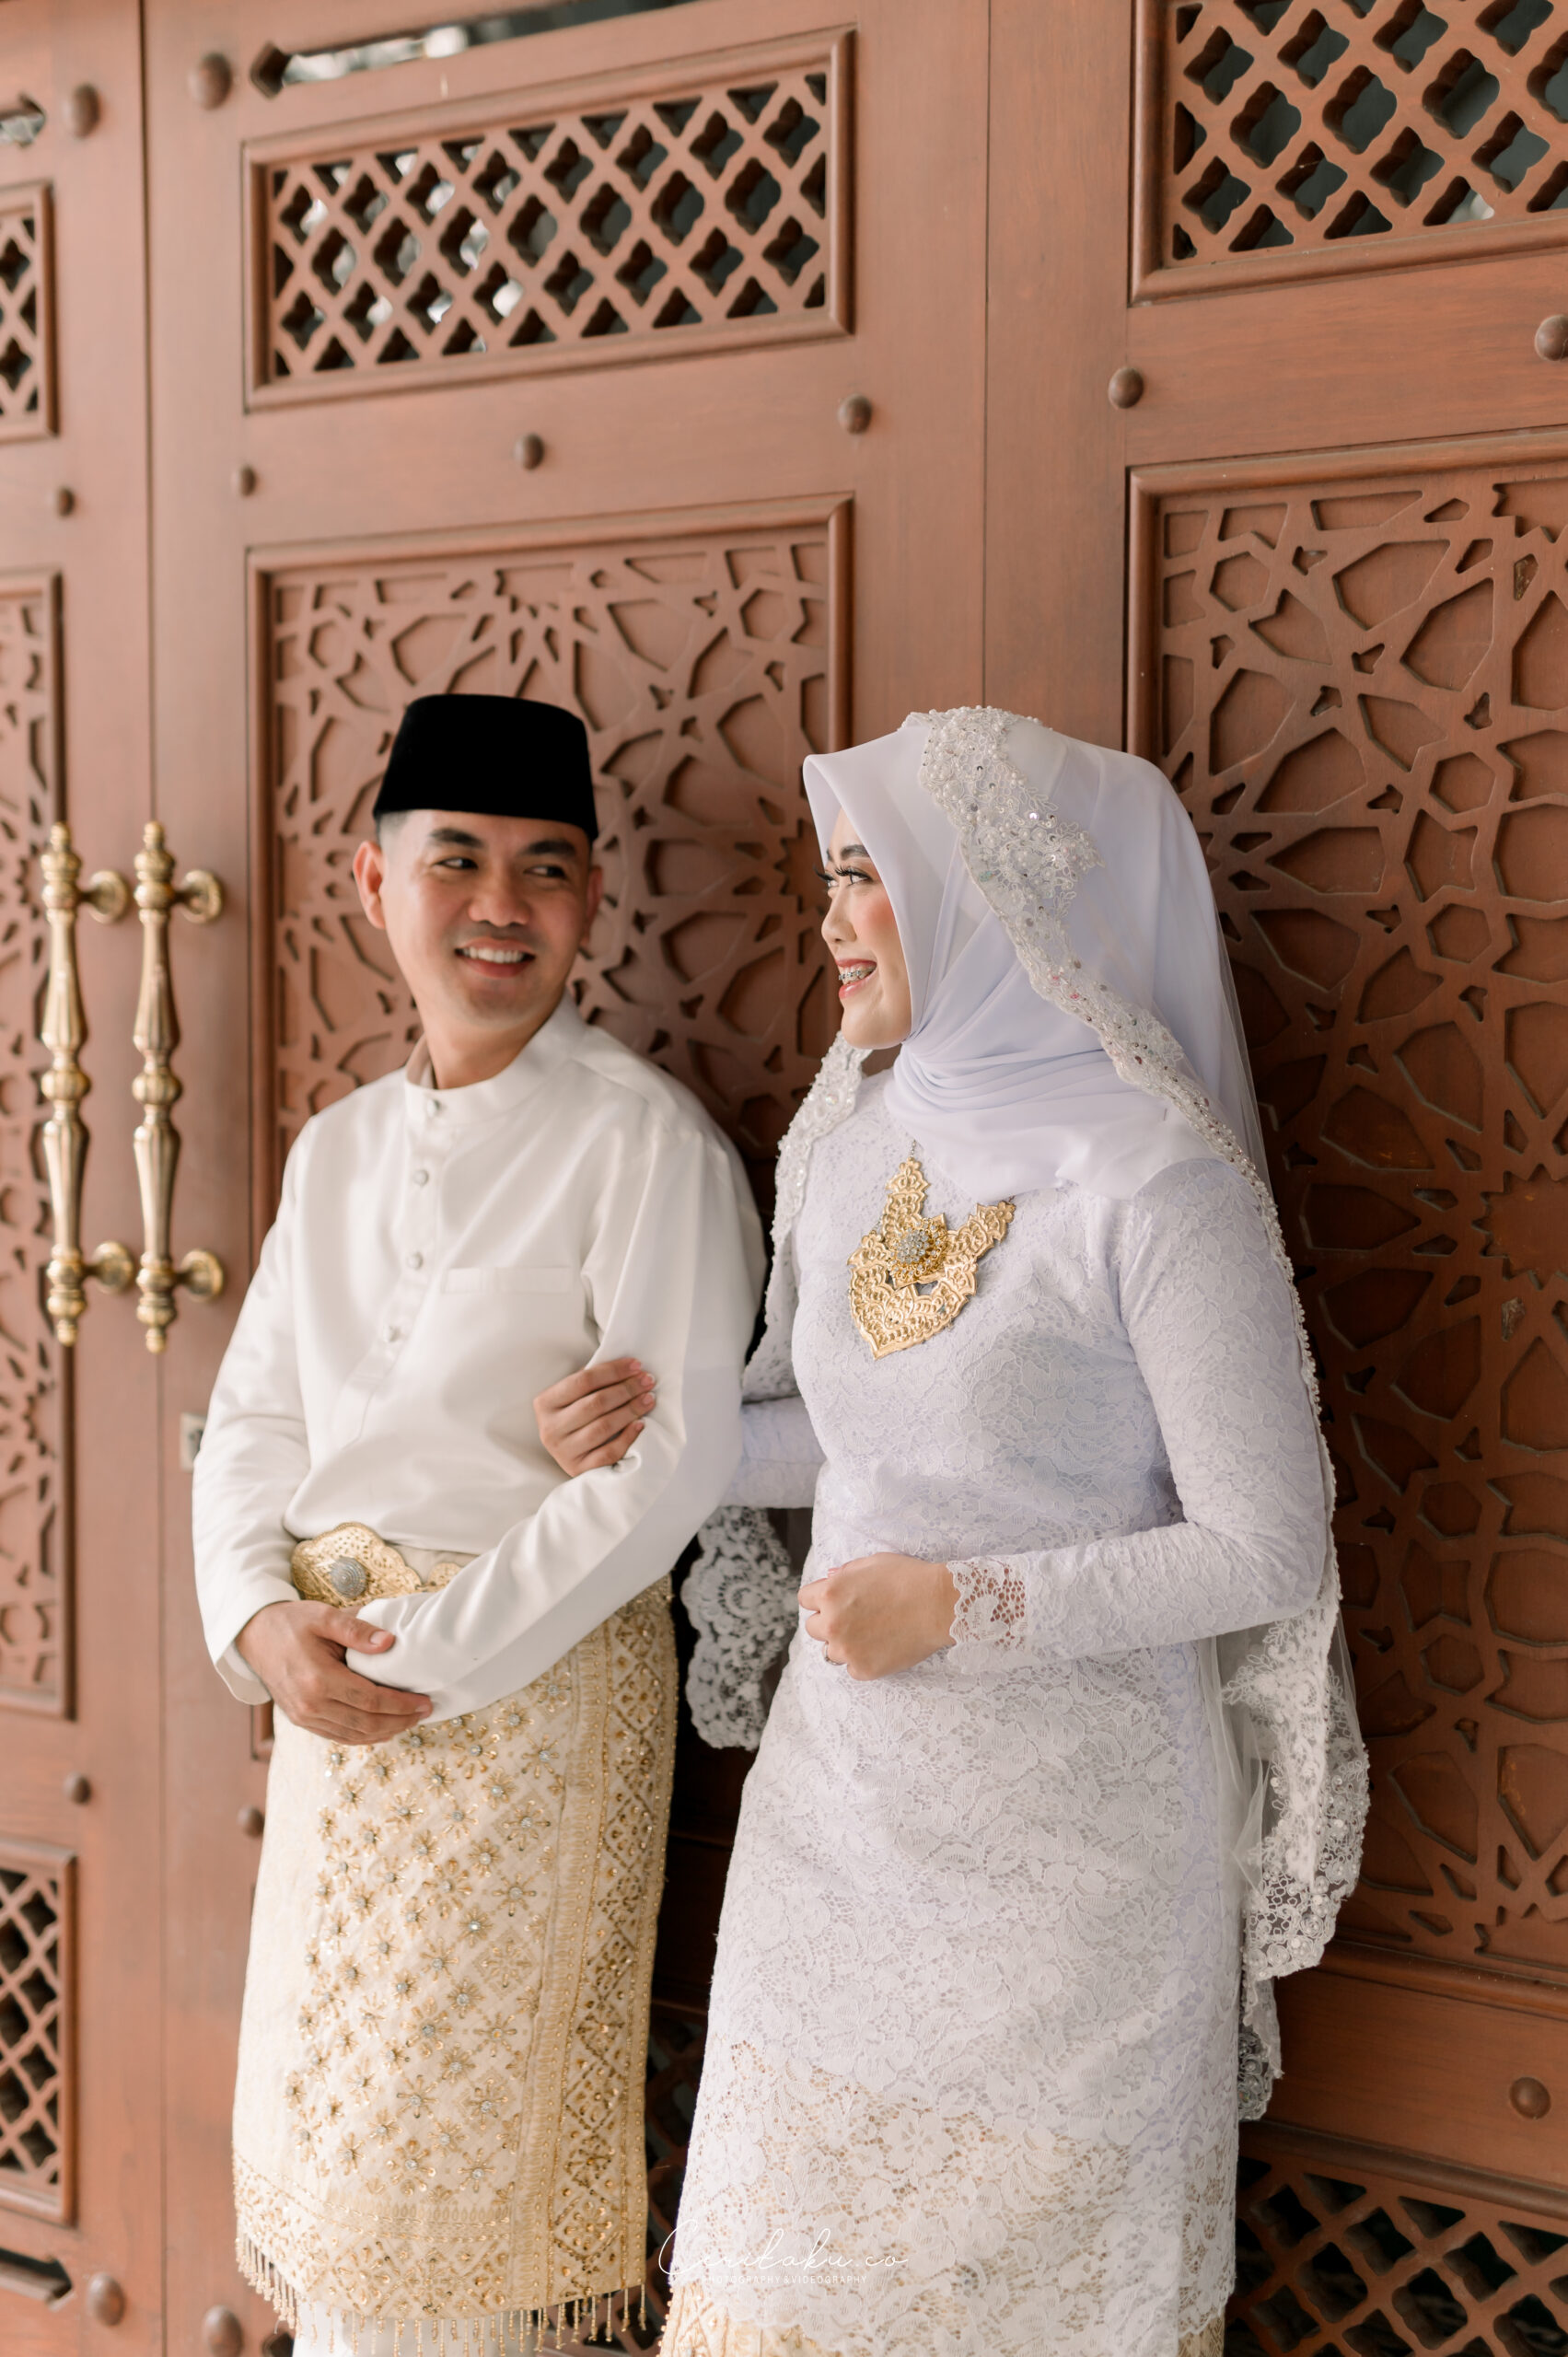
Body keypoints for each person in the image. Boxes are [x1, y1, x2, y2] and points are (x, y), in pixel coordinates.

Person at [551, 706, 1368, 2357]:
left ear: (989, 887)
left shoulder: (1156, 1189)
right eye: (829, 880)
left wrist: (965, 1609)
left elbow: (1266, 1547)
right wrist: (659, 1445)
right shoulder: (857, 1142)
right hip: (837, 1833)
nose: (831, 921)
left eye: (867, 877)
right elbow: (854, 1439)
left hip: (1075, 1881)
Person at [192, 693, 763, 2357]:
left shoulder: (644, 1145)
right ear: (376, 885)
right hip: (329, 1703)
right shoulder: (338, 1150)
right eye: (458, 861)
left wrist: (419, 1660)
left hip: (521, 1708)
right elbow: (256, 1419)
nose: (502, 905)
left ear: (592, 902)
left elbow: (664, 1474)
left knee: (445, 2211)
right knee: (333, 2173)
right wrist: (257, 1620)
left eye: (547, 868)